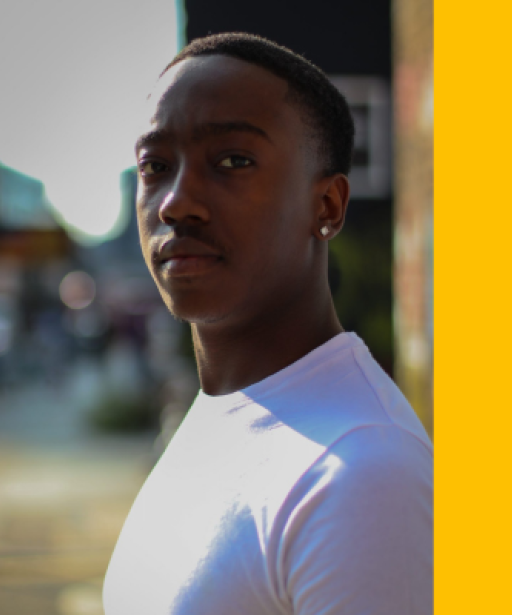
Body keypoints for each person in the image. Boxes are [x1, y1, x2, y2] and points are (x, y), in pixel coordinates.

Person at [103, 33, 433, 615]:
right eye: (155, 166)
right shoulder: (227, 411)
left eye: (233, 160)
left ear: (326, 207)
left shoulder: (362, 472)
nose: (176, 203)